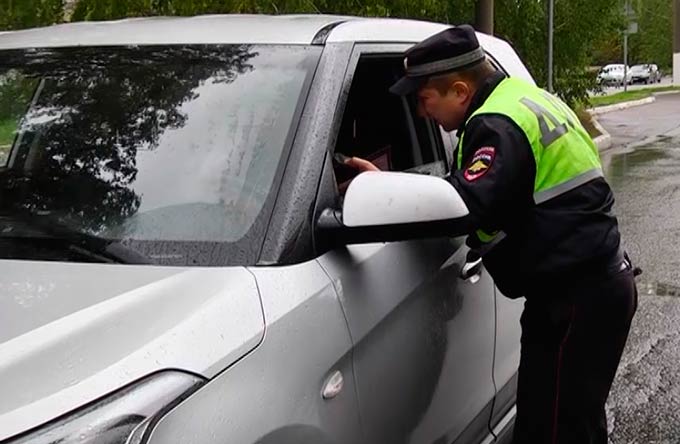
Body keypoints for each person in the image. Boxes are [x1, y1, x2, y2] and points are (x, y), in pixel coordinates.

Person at [344, 25, 638, 444]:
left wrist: (382, 191)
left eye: (424, 99)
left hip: (576, 302)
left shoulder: (495, 126)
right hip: (591, 290)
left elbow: (464, 206)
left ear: (461, 91)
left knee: (556, 433)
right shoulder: (524, 98)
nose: (422, 114)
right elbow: (494, 186)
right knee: (569, 425)